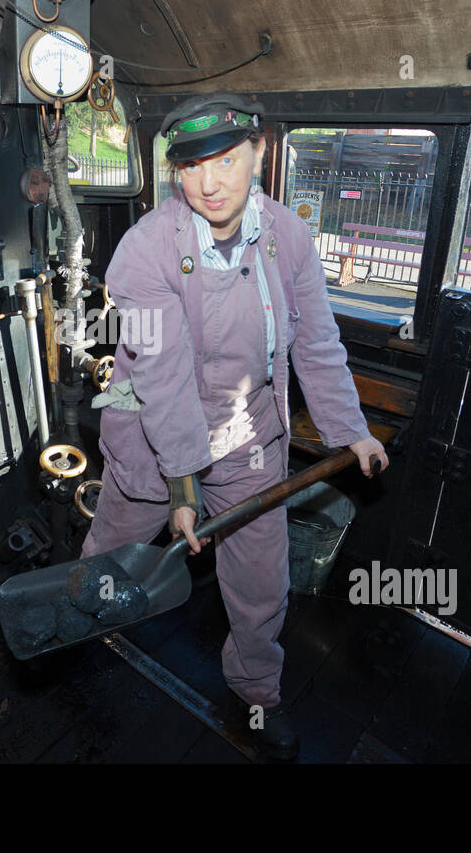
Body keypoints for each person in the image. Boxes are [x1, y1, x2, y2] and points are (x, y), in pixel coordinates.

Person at [81, 93, 388, 760]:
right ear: (173, 173)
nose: (209, 183)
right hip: (151, 434)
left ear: (258, 154)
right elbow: (160, 380)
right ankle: (84, 626)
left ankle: (256, 693)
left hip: (248, 438)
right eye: (191, 167)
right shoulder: (142, 253)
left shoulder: (289, 234)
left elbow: (317, 343)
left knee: (260, 582)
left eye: (224, 160)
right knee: (114, 552)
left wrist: (349, 430)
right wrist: (184, 491)